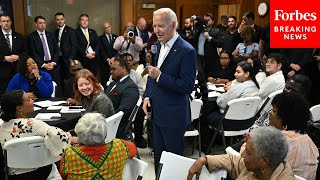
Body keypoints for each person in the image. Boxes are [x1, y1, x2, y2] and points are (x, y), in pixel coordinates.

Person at [142, 8, 197, 172]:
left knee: (172, 163)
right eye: (154, 26)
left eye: (161, 26)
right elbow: (152, 74)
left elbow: (187, 86)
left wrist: (160, 77)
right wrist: (147, 96)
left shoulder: (187, 50)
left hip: (174, 116)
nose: (156, 31)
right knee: (159, 159)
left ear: (173, 25)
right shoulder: (157, 46)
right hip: (157, 113)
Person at [0, 90, 70, 179]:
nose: (33, 101)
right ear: (19, 108)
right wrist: (69, 136)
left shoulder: (2, 128)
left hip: (14, 175)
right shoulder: (32, 124)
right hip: (41, 172)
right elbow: (59, 136)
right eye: (28, 99)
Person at [188, 127, 295, 180]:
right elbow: (233, 160)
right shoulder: (258, 169)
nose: (242, 155)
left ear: (264, 162)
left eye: (248, 152)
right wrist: (204, 159)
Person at [60, 113, 137, 180]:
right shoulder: (119, 145)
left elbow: (63, 177)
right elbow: (133, 150)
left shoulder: (69, 154)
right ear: (105, 133)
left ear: (79, 136)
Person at [269, 92, 319, 179]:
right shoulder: (307, 139)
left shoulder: (280, 141)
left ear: (285, 117)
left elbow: (256, 164)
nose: (270, 113)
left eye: (274, 110)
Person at [105, 55, 139, 139]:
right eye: (111, 69)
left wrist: (102, 118)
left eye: (114, 69)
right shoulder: (113, 83)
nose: (111, 72)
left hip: (114, 125)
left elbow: (123, 112)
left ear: (123, 69)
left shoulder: (130, 87)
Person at [27, 15, 61, 96]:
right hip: (41, 67)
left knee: (57, 87)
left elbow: (57, 50)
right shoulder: (31, 37)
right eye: (40, 23)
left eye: (44, 23)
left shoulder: (51, 35)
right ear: (36, 24)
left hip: (53, 66)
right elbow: (33, 53)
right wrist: (43, 64)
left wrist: (53, 62)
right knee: (44, 88)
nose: (43, 25)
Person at [0, 14, 27, 100]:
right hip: (2, 73)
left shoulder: (19, 37)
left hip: (17, 71)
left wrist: (19, 57)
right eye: (3, 21)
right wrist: (4, 58)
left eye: (7, 21)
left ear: (11, 22)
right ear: (0, 23)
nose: (6, 23)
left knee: (19, 98)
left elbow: (27, 52)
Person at [54, 12, 77, 81]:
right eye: (58, 19)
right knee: (60, 79)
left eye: (61, 19)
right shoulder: (55, 31)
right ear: (55, 21)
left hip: (68, 60)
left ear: (64, 19)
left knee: (70, 79)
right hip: (58, 60)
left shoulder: (71, 31)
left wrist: (71, 58)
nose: (60, 21)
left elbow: (74, 46)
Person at [98, 21, 118, 89]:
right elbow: (101, 51)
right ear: (104, 29)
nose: (108, 29)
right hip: (105, 63)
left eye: (109, 27)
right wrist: (108, 59)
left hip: (115, 62)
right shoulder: (100, 38)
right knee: (105, 81)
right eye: (106, 28)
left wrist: (114, 58)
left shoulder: (116, 37)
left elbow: (118, 50)